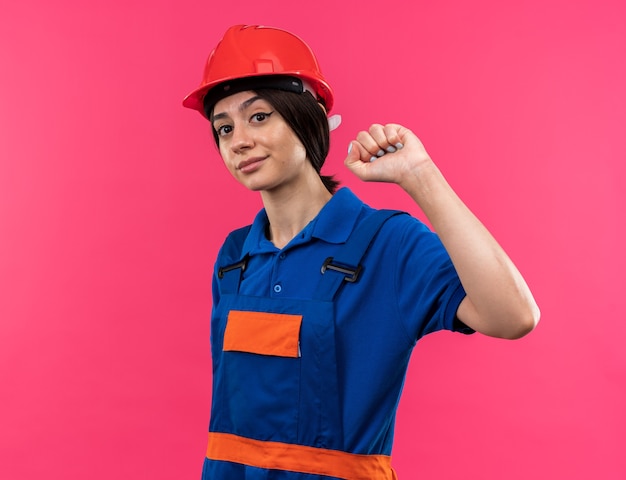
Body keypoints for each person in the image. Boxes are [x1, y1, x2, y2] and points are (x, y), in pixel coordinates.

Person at [182, 24, 540, 480]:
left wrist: (419, 175)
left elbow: (513, 317)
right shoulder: (235, 258)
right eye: (223, 128)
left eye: (259, 116)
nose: (239, 141)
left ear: (307, 117)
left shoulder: (387, 243)